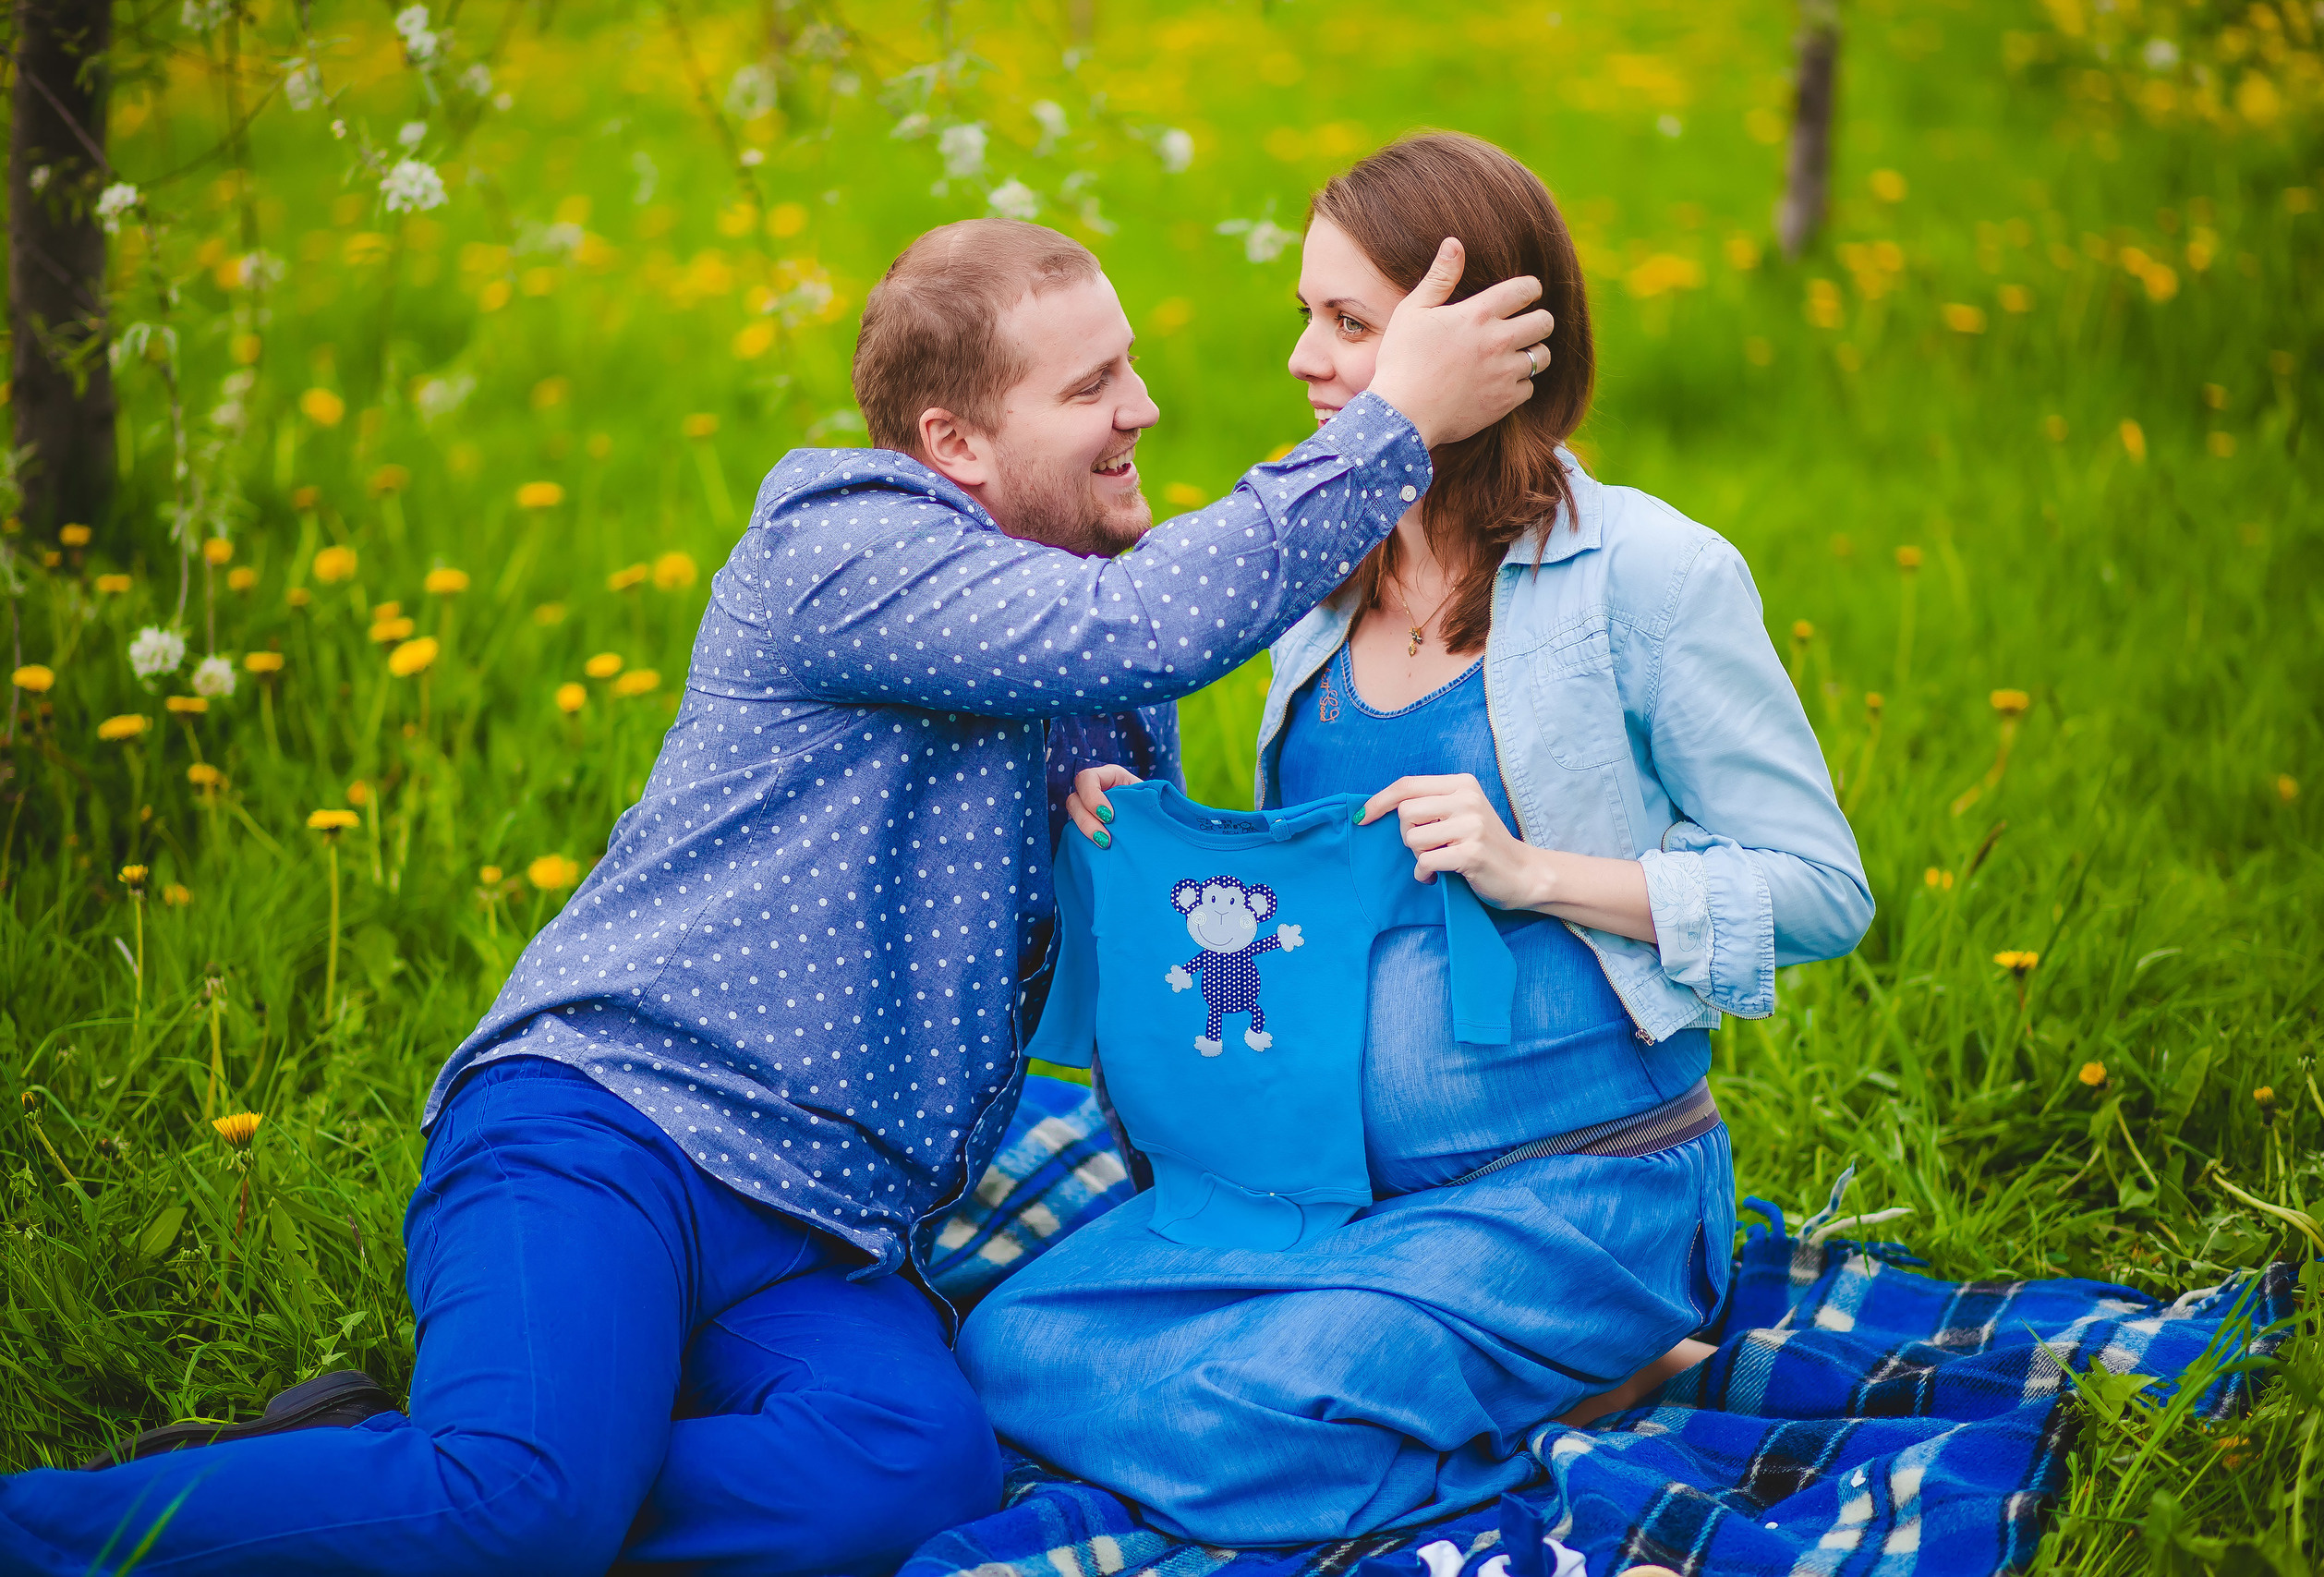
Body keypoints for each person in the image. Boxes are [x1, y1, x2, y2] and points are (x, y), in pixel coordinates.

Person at [0, 220, 1551, 1577]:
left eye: (1131, 366)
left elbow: (1161, 933)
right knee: (521, 1509)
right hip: (606, 1130)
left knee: (913, 1471)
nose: (1143, 409)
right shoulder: (841, 542)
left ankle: (424, 1486)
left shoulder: (1090, 659)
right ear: (952, 441)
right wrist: (1394, 425)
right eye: (1092, 386)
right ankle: (78, 1534)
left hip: (822, 1228)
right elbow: (1146, 623)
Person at [958, 133, 1876, 1547]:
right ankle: (1504, 1391)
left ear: (1485, 341)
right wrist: (1135, 832)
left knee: (1258, 1408)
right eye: (1307, 315)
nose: (1304, 360)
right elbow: (1318, 889)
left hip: (1572, 1188)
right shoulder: (1324, 581)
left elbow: (1821, 891)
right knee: (1009, 1349)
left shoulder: (1648, 574)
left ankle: (1569, 1379)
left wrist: (1531, 871)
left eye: (1349, 322)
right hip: (1325, 1188)